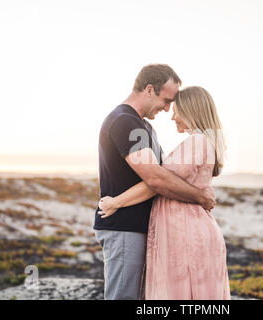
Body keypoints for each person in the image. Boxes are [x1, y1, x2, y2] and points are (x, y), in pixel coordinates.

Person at [93, 64, 217, 300]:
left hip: (138, 228)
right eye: (167, 100)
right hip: (124, 227)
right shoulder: (125, 122)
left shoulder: (144, 126)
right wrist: (199, 196)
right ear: (149, 89)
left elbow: (167, 173)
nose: (168, 108)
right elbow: (155, 177)